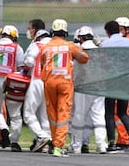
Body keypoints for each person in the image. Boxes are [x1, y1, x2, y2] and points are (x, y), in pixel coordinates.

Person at [40, 19, 89, 157]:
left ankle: (55, 142)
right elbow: (84, 58)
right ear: (65, 33)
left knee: (52, 114)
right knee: (63, 114)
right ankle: (58, 146)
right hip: (65, 83)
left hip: (49, 82)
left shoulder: (46, 47)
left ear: (52, 32)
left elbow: (43, 63)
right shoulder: (70, 46)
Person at [68, 26, 108, 154]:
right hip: (99, 85)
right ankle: (102, 145)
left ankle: (76, 145)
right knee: (99, 116)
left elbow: (73, 68)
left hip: (83, 86)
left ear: (80, 38)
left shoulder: (79, 50)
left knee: (79, 116)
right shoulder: (100, 50)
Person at [102, 20, 129, 153]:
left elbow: (102, 61)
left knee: (110, 112)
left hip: (111, 80)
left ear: (107, 32)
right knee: (123, 112)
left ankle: (111, 143)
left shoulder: (105, 44)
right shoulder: (128, 43)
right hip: (125, 80)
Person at [22, 19, 52, 153]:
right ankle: (46, 143)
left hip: (37, 81)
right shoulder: (53, 46)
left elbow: (28, 62)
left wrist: (25, 69)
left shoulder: (36, 45)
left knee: (28, 113)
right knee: (44, 116)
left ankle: (42, 136)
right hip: (50, 82)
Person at [114, 16, 129, 149]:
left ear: (127, 29)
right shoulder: (128, 41)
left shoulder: (127, 42)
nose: (119, 31)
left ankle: (124, 139)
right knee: (120, 111)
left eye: (121, 29)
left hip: (123, 81)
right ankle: (124, 138)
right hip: (124, 80)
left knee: (120, 111)